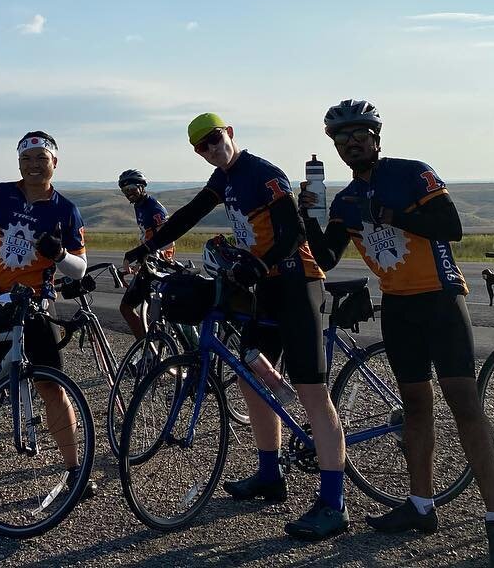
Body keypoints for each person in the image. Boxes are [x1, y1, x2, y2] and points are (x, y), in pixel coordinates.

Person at [300, 100, 494, 568]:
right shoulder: (343, 201)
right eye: (341, 139)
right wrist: (305, 220)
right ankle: (422, 506)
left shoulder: (411, 174)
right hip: (398, 306)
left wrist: (391, 214)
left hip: (441, 299)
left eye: (359, 135)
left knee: (464, 406)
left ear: (377, 138)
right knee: (415, 406)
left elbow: (451, 227)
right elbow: (327, 257)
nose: (351, 144)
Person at [123, 112, 349, 542]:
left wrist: (260, 262)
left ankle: (333, 503)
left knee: (312, 391)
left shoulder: (261, 173)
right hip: (264, 285)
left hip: (298, 281)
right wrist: (145, 247)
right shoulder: (223, 179)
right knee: (249, 376)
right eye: (201, 147)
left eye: (214, 139)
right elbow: (190, 213)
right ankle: (269, 474)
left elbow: (293, 229)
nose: (210, 149)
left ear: (229, 133)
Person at [0, 131, 95, 498]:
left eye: (42, 158)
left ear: (54, 163)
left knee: (52, 387)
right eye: (27, 159)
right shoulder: (1, 194)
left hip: (35, 306)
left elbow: (79, 269)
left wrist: (58, 256)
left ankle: (74, 472)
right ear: (19, 162)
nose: (34, 165)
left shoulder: (65, 210)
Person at [116, 168, 173, 339]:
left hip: (157, 263)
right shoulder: (140, 206)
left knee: (126, 307)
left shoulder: (153, 208)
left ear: (142, 186)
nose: (129, 193)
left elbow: (165, 239)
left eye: (132, 189)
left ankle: (146, 348)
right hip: (149, 261)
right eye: (125, 190)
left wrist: (143, 259)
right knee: (150, 311)